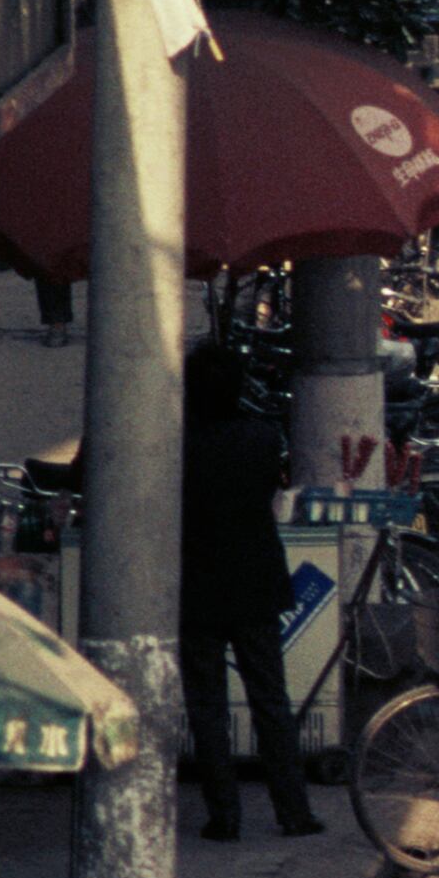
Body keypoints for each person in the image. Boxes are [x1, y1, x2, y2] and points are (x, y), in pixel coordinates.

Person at [181, 343, 317, 841]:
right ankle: (294, 811)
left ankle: (224, 815)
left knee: (207, 705)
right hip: (256, 581)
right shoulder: (261, 438)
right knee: (270, 701)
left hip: (197, 586)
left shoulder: (177, 444)